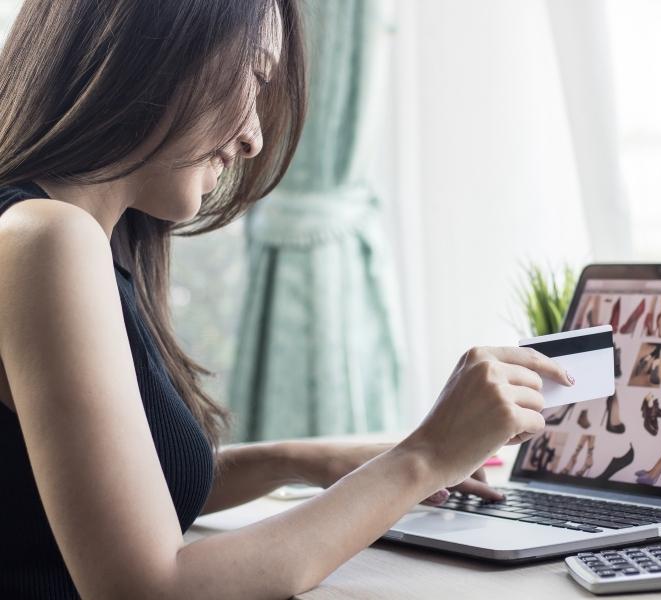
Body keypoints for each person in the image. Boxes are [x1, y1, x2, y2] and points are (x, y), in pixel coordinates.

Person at [0, 1, 573, 597]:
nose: (253, 137)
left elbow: (86, 500)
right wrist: (426, 456)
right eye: (254, 79)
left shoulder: (70, 238)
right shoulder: (47, 238)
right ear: (161, 52)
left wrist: (297, 458)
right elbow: (148, 587)